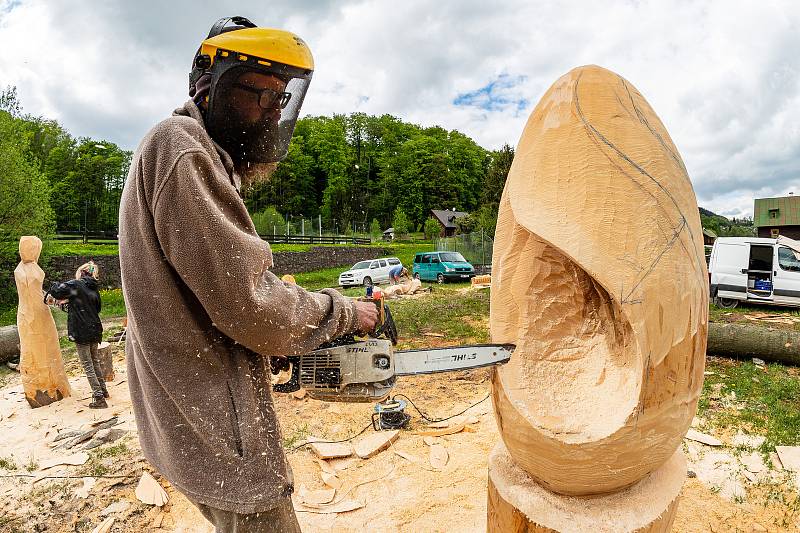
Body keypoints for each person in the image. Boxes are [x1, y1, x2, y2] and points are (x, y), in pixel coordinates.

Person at [118, 16, 378, 533]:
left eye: (277, 98)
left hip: (200, 405)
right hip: (217, 422)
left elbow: (221, 293)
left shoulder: (201, 158)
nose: (265, 111)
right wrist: (346, 311)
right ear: (207, 86)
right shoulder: (182, 146)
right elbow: (252, 307)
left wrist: (276, 333)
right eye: (252, 92)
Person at [46, 261, 107, 408]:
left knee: (87, 364)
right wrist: (70, 303)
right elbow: (95, 308)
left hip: (82, 329)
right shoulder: (93, 288)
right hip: (94, 328)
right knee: (94, 361)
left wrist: (51, 284)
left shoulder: (76, 284)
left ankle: (99, 398)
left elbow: (57, 291)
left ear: (81, 273)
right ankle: (103, 390)